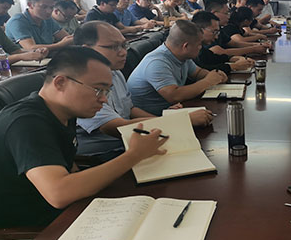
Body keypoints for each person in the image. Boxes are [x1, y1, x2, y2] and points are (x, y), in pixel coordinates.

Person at [0, 47, 169, 227]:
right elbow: (59, 194)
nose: (104, 99)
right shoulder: (26, 123)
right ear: (60, 83)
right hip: (28, 228)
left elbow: (68, 165)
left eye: (106, 91)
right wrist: (134, 155)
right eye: (98, 90)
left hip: (66, 210)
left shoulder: (62, 111)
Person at [74, 21, 214, 157]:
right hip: (103, 154)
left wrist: (164, 120)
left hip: (131, 141)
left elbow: (130, 110)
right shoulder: (80, 85)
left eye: (124, 45)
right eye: (114, 47)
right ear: (87, 50)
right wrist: (181, 121)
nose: (123, 52)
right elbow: (117, 127)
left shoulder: (115, 73)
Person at [127, 20, 227, 115]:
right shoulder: (157, 62)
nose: (201, 47)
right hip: (149, 119)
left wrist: (215, 76)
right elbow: (174, 95)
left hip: (170, 110)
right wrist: (208, 81)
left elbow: (197, 73)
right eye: (199, 44)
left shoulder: (181, 56)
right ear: (185, 46)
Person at [5, 0, 74, 52]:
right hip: (24, 60)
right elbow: (30, 48)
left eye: (51, 7)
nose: (49, 11)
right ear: (30, 5)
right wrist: (60, 45)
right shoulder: (17, 21)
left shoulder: (47, 19)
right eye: (44, 7)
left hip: (45, 57)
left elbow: (67, 38)